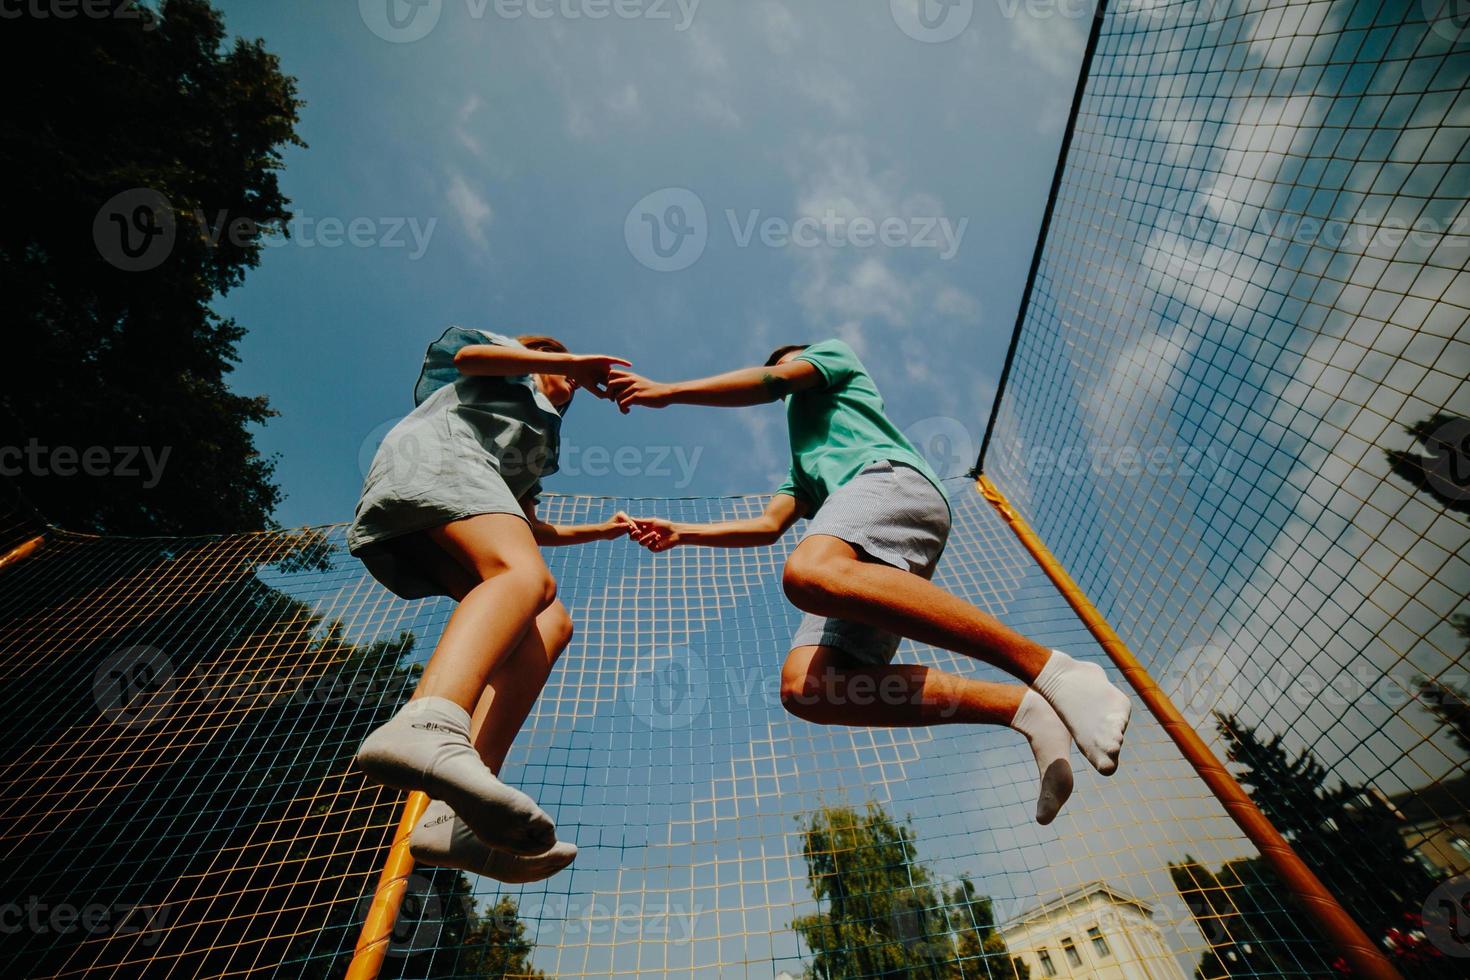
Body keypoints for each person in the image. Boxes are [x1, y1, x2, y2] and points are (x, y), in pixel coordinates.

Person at [605, 341, 1131, 825]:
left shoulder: (833, 358)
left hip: (890, 483)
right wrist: (684, 532)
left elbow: (777, 382)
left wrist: (669, 392)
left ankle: (1053, 670)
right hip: (860, 533)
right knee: (810, 689)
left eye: (788, 362)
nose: (785, 372)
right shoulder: (804, 464)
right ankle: (1025, 708)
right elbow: (766, 526)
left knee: (811, 571)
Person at [349, 328, 632, 881]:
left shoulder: (542, 438)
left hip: (455, 500)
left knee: (549, 622)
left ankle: (452, 815)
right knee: (521, 576)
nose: (572, 385)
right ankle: (428, 722)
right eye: (566, 372)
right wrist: (572, 357)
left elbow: (524, 521)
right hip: (435, 468)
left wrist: (601, 529)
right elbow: (468, 357)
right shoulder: (507, 367)